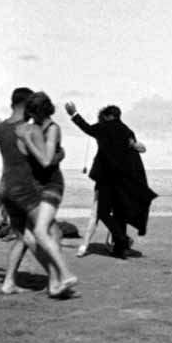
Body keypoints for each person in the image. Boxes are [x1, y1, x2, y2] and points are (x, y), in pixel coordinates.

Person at [0, 88, 76, 298]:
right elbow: (45, 160)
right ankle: (56, 280)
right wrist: (60, 155)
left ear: (12, 104)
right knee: (52, 232)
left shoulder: (2, 128)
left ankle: (8, 282)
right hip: (25, 189)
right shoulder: (31, 129)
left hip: (5, 188)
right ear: (28, 106)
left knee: (23, 237)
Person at [65, 101, 157, 259]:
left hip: (106, 178)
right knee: (120, 213)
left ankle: (122, 238)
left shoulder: (103, 127)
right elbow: (134, 153)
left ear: (108, 116)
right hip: (124, 180)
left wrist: (73, 113)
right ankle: (120, 250)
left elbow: (86, 128)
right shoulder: (127, 131)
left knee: (102, 212)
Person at [15, 91, 77, 292]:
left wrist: (28, 141)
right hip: (35, 186)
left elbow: (46, 161)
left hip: (51, 185)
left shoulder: (52, 129)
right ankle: (54, 283)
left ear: (41, 111)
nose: (31, 116)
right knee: (29, 236)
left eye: (33, 113)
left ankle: (66, 275)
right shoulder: (36, 127)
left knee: (41, 231)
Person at [76, 121, 148, 257]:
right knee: (108, 214)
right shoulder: (124, 134)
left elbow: (142, 148)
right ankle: (111, 243)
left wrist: (74, 114)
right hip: (115, 182)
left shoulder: (109, 135)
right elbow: (141, 149)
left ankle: (88, 245)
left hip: (108, 181)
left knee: (99, 213)